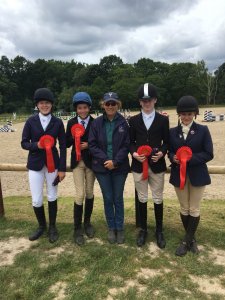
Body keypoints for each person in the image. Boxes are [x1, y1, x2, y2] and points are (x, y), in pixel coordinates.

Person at [169, 96, 213, 256]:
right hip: (178, 175)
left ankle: (186, 241)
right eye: (183, 114)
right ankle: (191, 239)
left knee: (194, 208)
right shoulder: (172, 132)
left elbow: (209, 153)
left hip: (197, 175)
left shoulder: (203, 130)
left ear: (195, 114)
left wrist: (187, 159)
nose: (186, 117)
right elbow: (170, 151)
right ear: (179, 114)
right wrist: (173, 157)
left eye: (189, 113)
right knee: (184, 207)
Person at [21, 88, 66, 243]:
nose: (45, 105)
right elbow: (24, 143)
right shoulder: (30, 121)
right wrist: (37, 145)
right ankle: (41, 226)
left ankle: (52, 227)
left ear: (51, 105)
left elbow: (63, 146)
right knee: (36, 199)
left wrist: (62, 169)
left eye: (47, 103)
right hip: (35, 164)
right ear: (37, 105)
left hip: (53, 164)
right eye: (42, 103)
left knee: (52, 195)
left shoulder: (58, 122)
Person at [129, 83, 169, 248]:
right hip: (139, 165)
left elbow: (166, 142)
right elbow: (131, 142)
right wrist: (134, 154)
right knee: (142, 198)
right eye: (144, 100)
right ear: (140, 102)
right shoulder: (133, 120)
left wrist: (163, 152)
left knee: (158, 198)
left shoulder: (163, 119)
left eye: (149, 100)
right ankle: (143, 230)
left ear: (155, 100)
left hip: (156, 164)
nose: (147, 103)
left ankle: (159, 230)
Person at [89, 92, 130, 244]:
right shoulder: (97, 123)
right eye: (108, 104)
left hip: (120, 167)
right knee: (108, 198)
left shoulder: (123, 123)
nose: (111, 106)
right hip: (101, 167)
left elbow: (126, 145)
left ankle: (119, 228)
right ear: (103, 105)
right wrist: (106, 160)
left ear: (118, 105)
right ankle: (111, 228)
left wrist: (115, 162)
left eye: (113, 103)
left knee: (118, 198)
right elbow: (92, 145)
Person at [66, 92, 95, 246]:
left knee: (89, 192)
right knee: (80, 194)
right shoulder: (71, 123)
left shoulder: (95, 122)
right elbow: (66, 143)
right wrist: (75, 138)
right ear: (76, 109)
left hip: (91, 163)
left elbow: (99, 141)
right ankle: (77, 228)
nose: (82, 110)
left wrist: (89, 145)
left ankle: (87, 223)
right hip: (77, 163)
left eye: (85, 107)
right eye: (79, 108)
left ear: (89, 108)